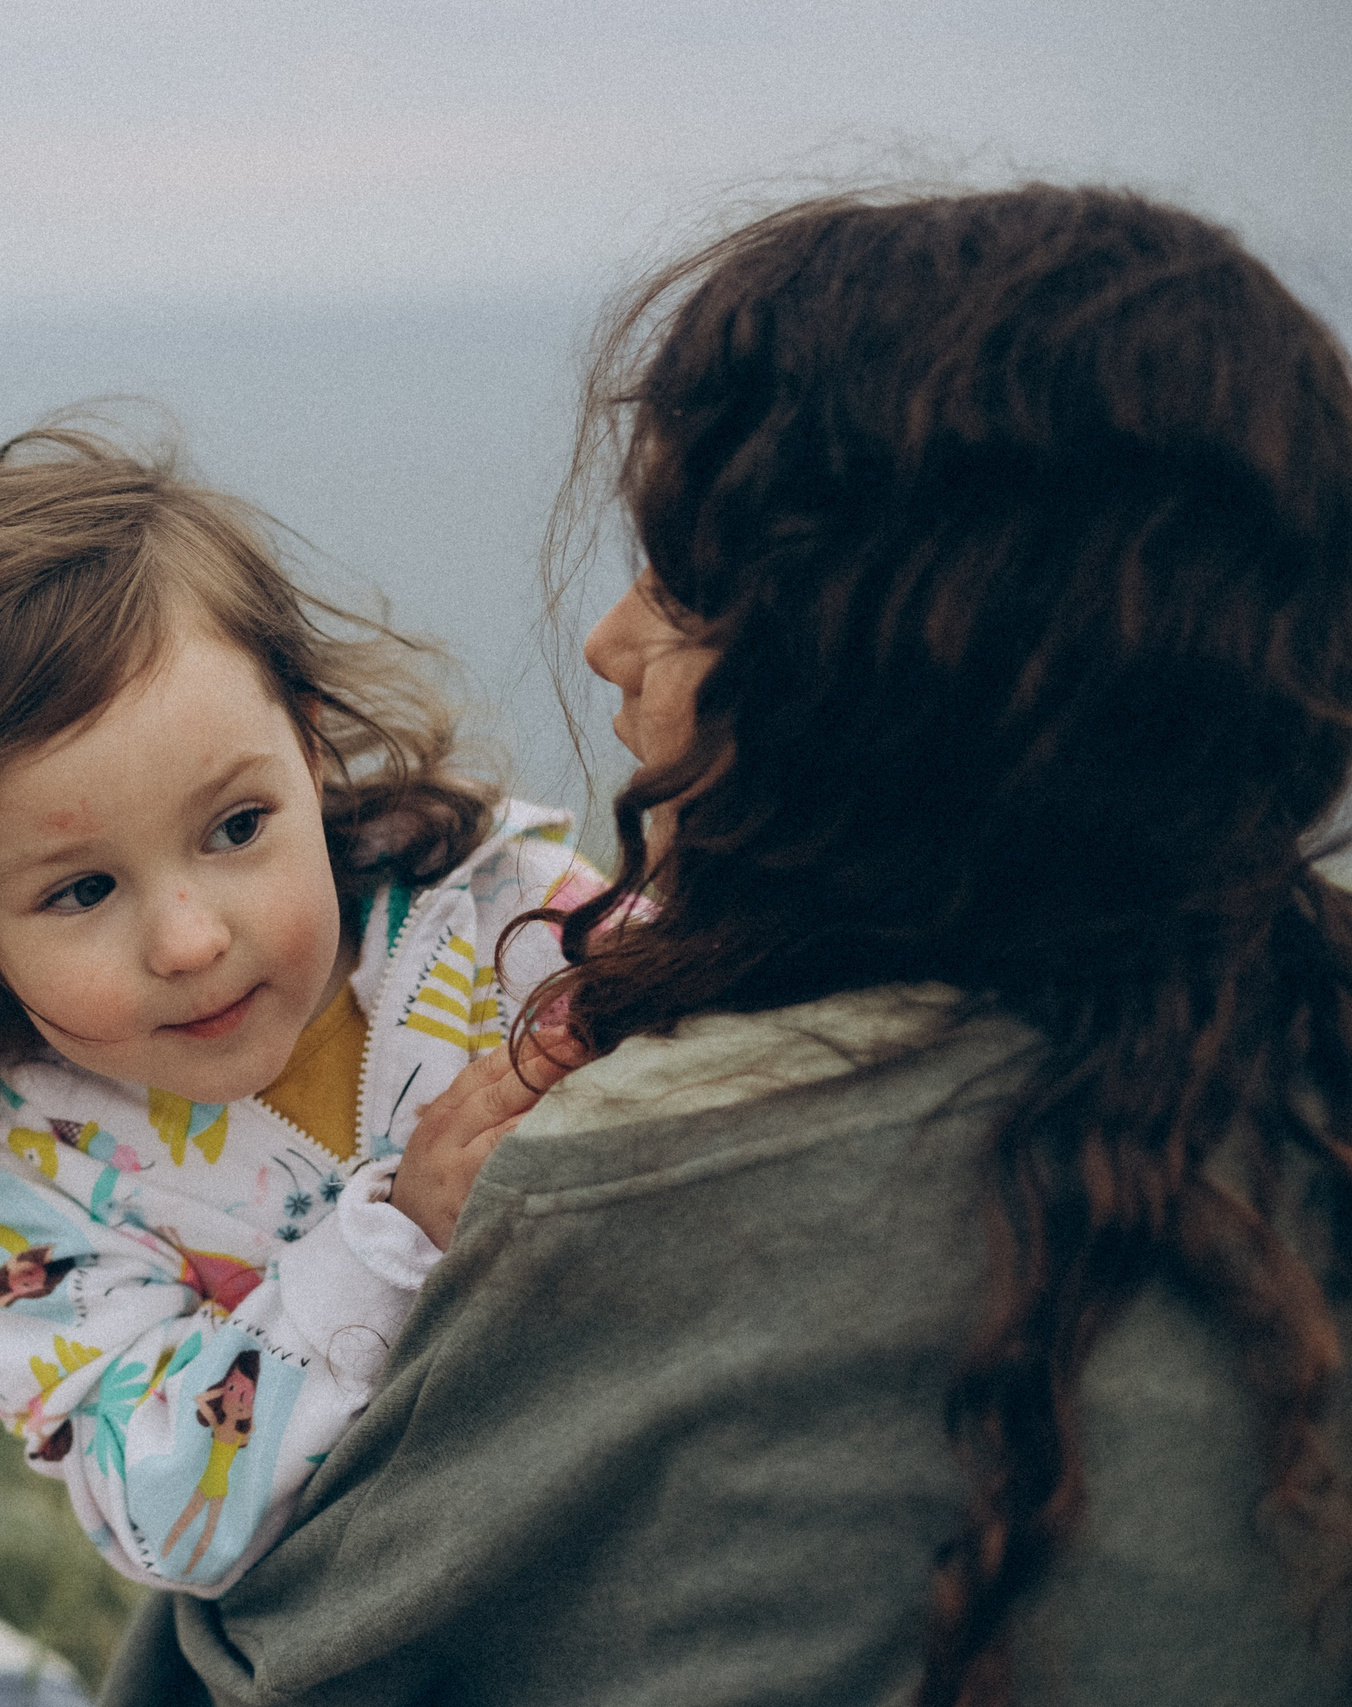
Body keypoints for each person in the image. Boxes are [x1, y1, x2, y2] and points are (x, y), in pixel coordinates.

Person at [98, 183, 1352, 1704]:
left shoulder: (645, 1169)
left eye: (683, 586)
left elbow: (266, 1658)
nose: (608, 640)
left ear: (893, 677)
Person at [0, 421, 601, 1618]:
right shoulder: (31, 1151)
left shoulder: (514, 922)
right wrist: (393, 1246)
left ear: (310, 746)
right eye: (81, 890)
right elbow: (159, 1510)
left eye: (235, 827)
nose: (187, 939)